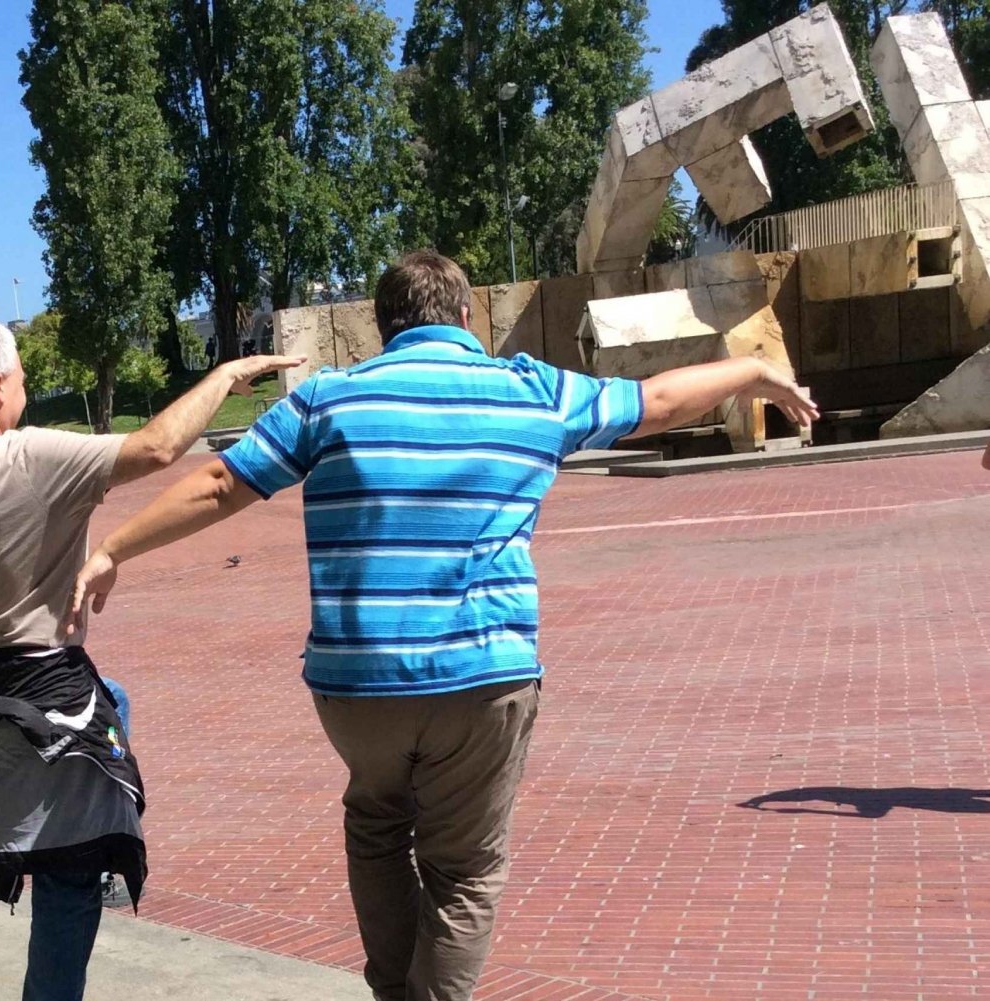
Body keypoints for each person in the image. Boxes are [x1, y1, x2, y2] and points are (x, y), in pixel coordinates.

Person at [67, 250, 820, 1001]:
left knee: (376, 828)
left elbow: (222, 481)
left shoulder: (330, 397)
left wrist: (111, 549)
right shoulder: (530, 390)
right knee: (465, 872)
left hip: (359, 686)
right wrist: (751, 372)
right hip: (483, 684)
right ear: (467, 318)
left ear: (382, 324)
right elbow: (655, 401)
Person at [0, 315, 301, 1001]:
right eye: (23, 378)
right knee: (72, 867)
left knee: (114, 696)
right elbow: (159, 448)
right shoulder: (28, 456)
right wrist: (227, 374)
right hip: (50, 701)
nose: (25, 388)